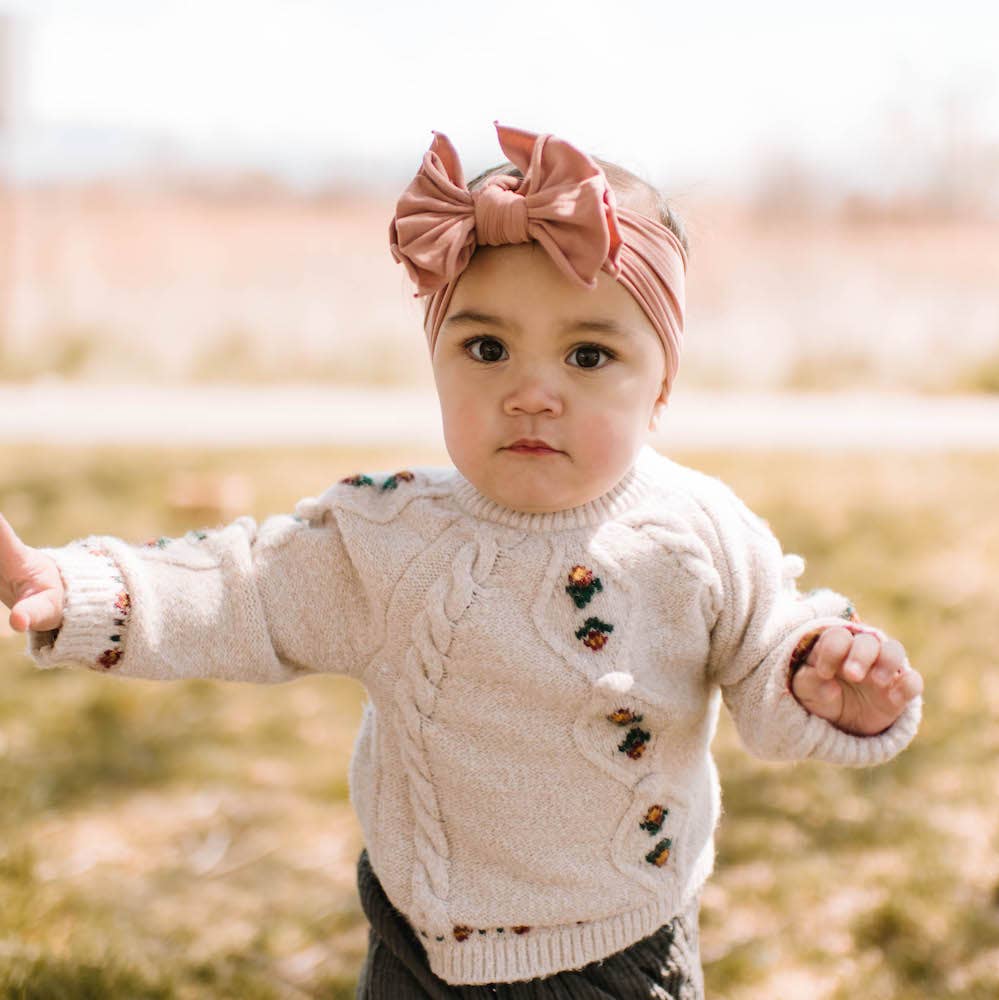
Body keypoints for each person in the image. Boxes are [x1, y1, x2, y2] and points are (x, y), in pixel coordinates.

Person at [0, 122, 923, 1000]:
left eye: (589, 355)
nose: (530, 392)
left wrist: (817, 674)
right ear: (435, 357)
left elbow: (767, 648)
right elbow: (240, 588)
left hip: (622, 949)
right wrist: (82, 588)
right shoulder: (388, 535)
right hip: (418, 950)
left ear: (662, 387)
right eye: (486, 348)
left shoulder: (699, 533)